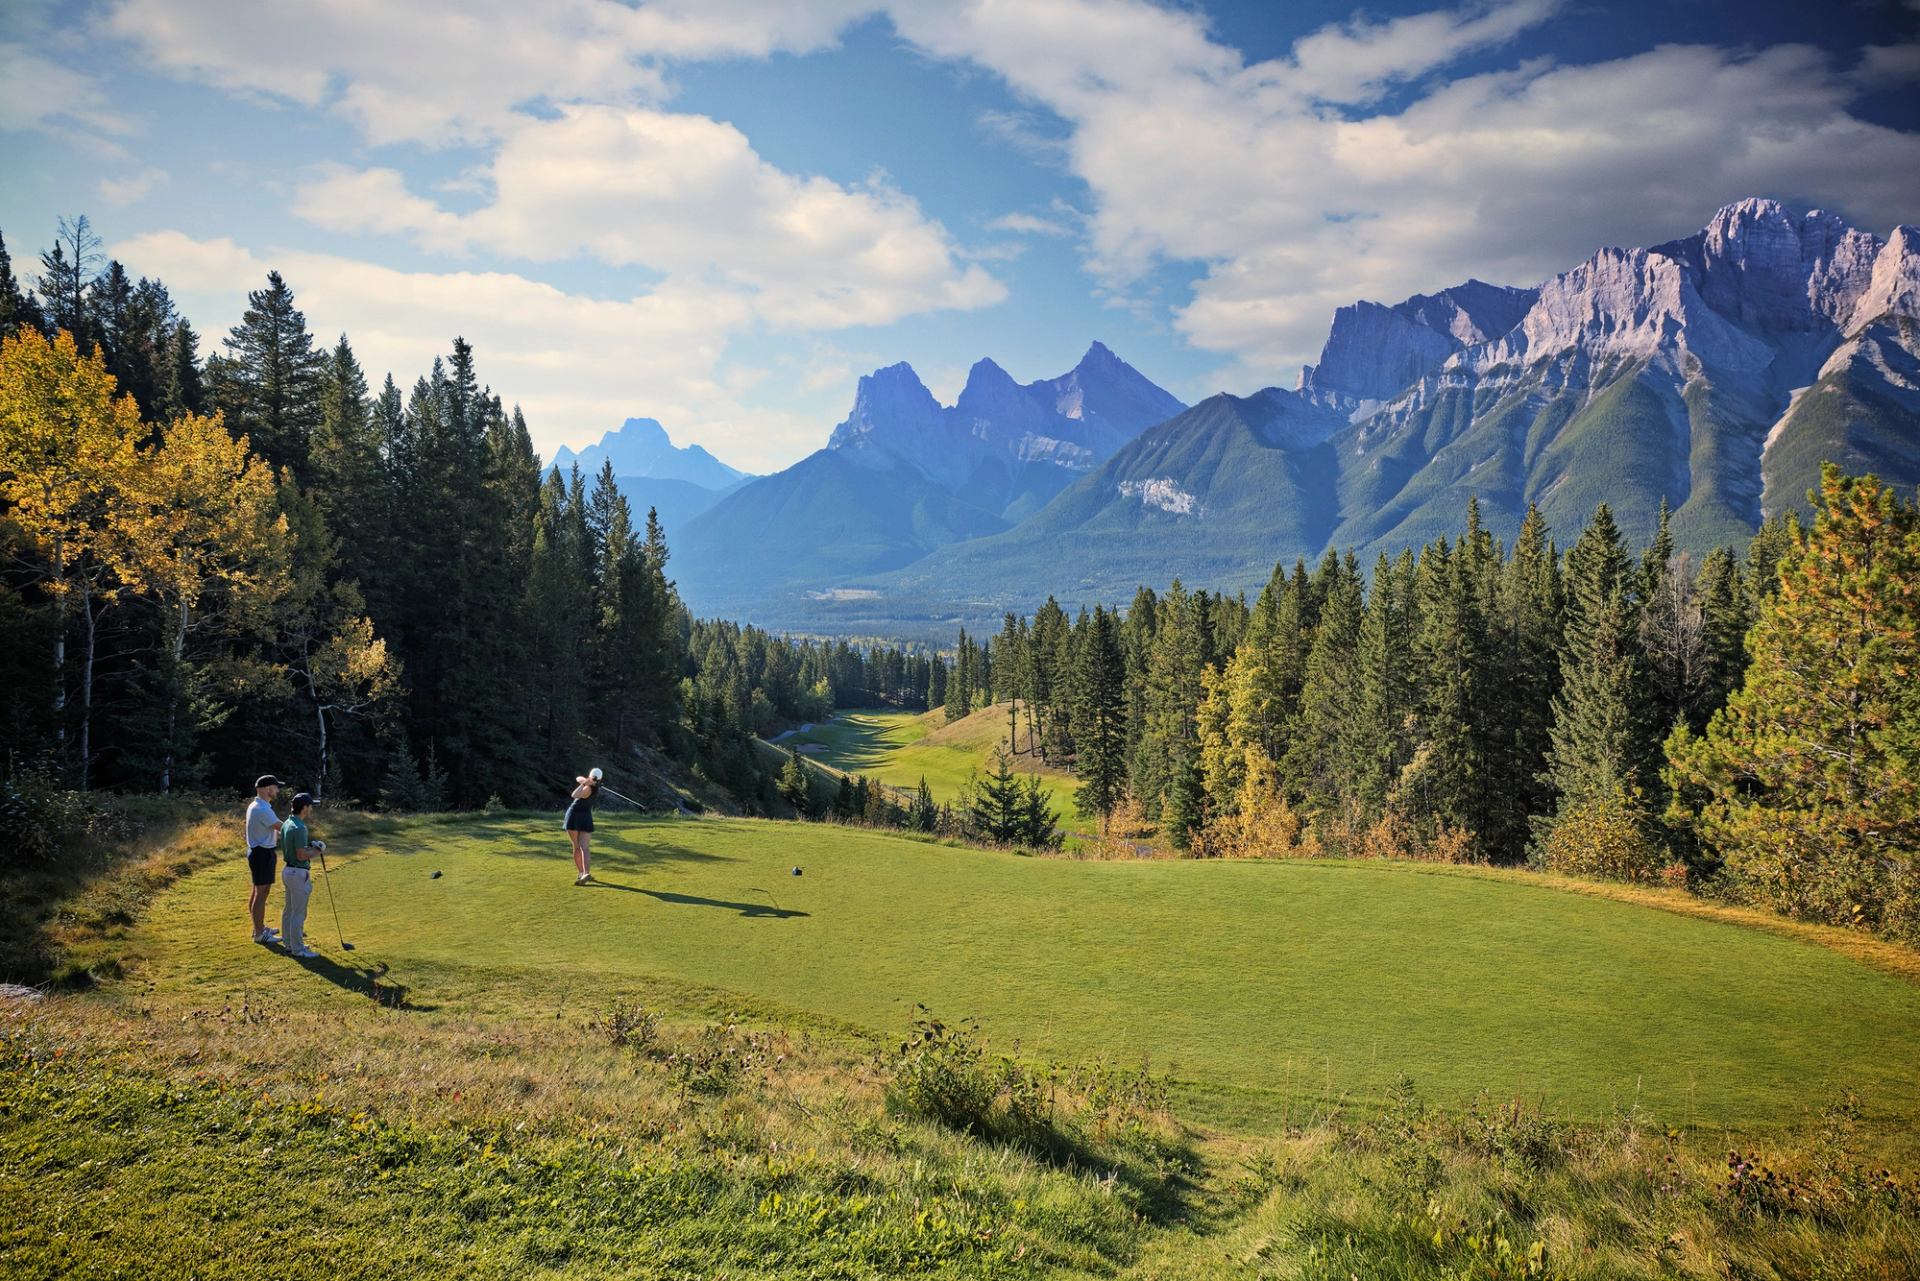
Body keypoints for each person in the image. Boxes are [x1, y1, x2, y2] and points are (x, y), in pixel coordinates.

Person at [279, 792, 323, 959]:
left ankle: (290, 944)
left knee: (289, 910)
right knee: (298, 913)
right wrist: (318, 850)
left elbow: (298, 850)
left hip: (288, 871)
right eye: (310, 806)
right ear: (305, 807)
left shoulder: (287, 823)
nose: (311, 808)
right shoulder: (300, 827)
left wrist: (311, 847)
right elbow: (301, 855)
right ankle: (298, 950)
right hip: (298, 873)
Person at [245, 776, 284, 943]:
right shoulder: (262, 809)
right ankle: (260, 933)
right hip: (262, 854)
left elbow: (273, 828)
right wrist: (297, 829)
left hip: (260, 852)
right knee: (261, 893)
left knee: (258, 891)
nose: (277, 791)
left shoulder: (259, 806)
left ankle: (258, 928)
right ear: (268, 788)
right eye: (276, 788)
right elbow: (281, 827)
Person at [564, 769, 601, 885]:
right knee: (584, 847)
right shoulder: (595, 787)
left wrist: (585, 783)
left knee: (576, 846)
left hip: (574, 815)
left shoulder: (587, 789)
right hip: (586, 816)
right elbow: (578, 777)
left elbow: (574, 795)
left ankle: (581, 873)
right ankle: (586, 873)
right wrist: (586, 781)